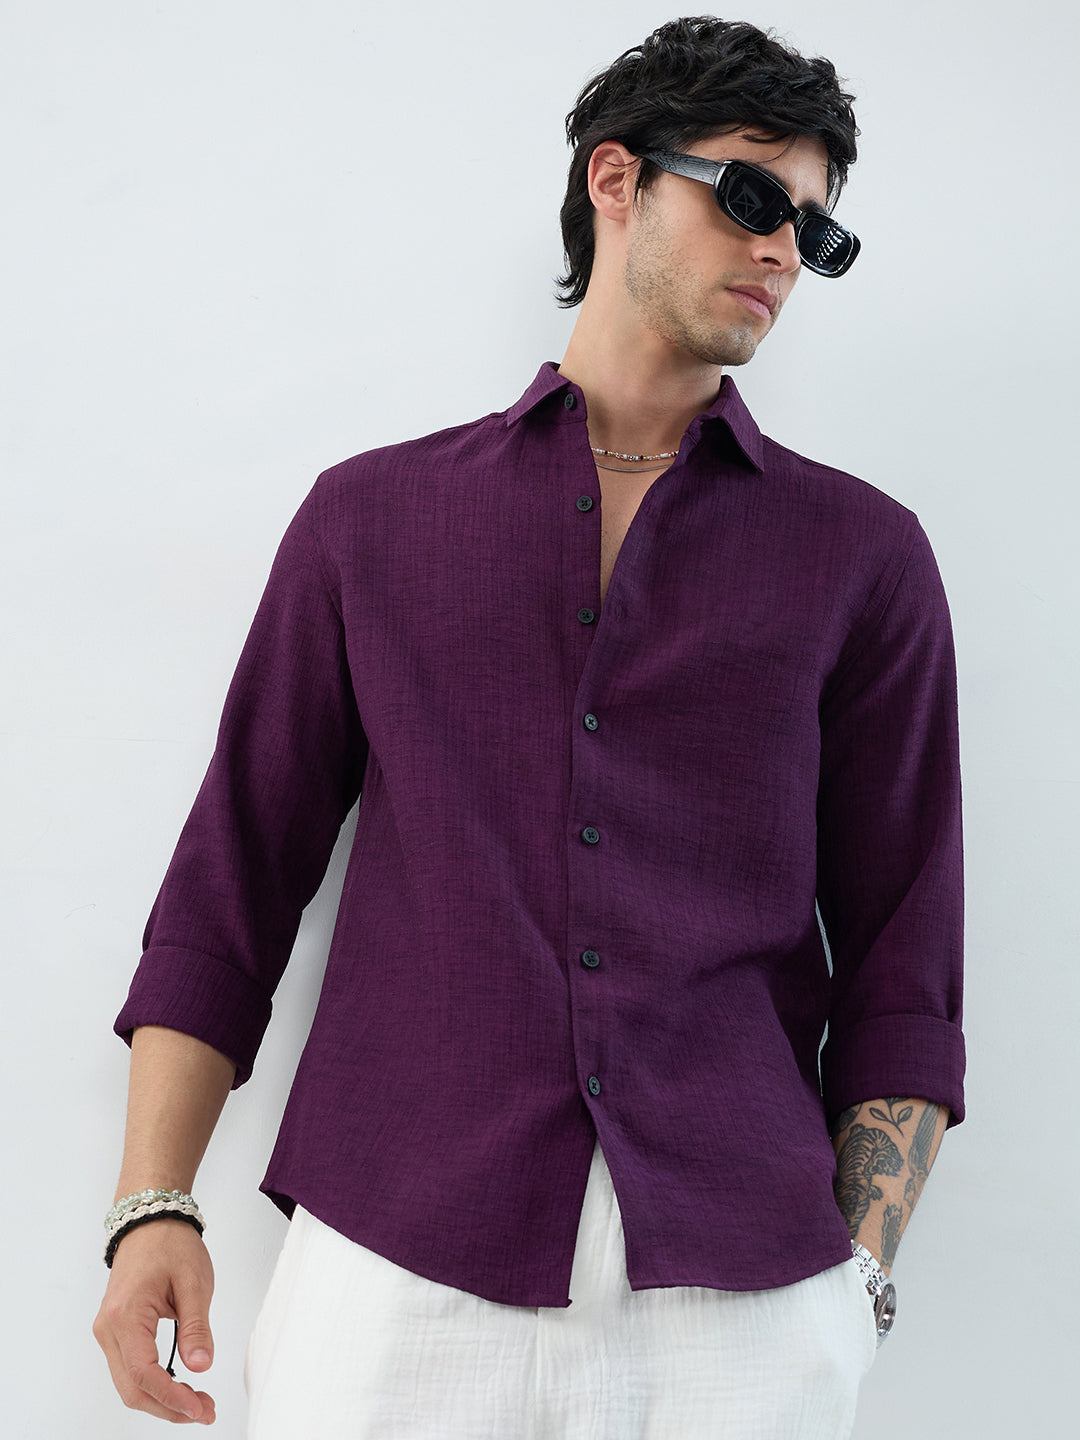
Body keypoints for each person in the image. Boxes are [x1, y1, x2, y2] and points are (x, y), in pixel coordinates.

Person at [93, 15, 965, 1438]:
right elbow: (232, 884)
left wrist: (854, 1288)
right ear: (616, 179)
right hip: (397, 1269)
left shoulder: (861, 557)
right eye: (753, 195)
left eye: (814, 230)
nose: (781, 253)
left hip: (746, 1296)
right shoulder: (373, 521)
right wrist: (152, 1205)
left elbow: (905, 961)